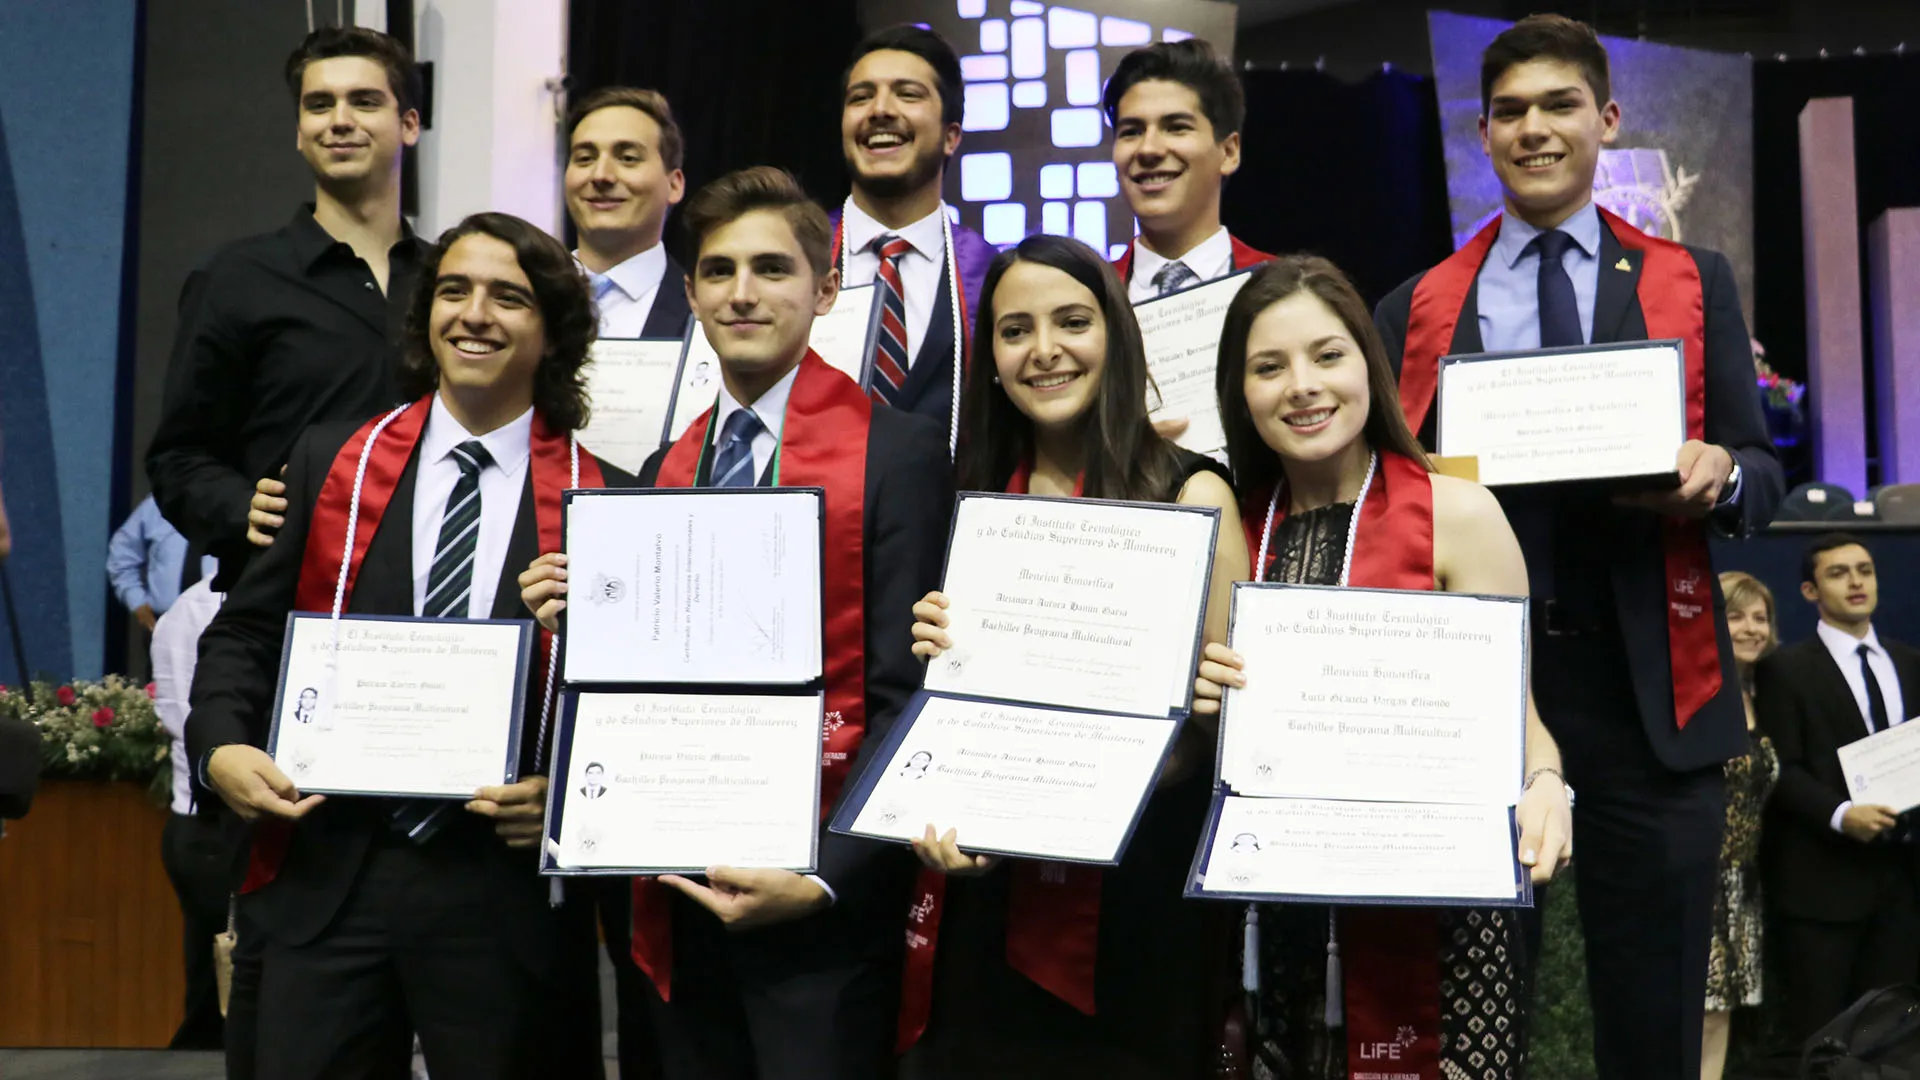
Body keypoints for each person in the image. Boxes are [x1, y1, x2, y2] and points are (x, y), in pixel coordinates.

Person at [1371, 17, 1782, 1078]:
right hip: (1485, 691)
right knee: (1473, 1006)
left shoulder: (1694, 279)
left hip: (1652, 690)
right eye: (1510, 112)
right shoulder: (1417, 305)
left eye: (1560, 106)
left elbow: (1759, 465)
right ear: (1482, 133)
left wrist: (1723, 476)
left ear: (1607, 119)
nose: (1535, 129)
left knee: (1655, 1012)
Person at [521, 166, 951, 1080]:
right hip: (676, 889)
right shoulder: (660, 471)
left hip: (823, 911)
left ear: (825, 290)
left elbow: (906, 695)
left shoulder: (900, 452)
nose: (742, 293)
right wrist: (576, 623)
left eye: (772, 269)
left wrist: (825, 874)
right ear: (691, 294)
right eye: (718, 271)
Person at [185, 212, 630, 1080]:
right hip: (329, 874)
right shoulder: (332, 462)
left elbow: (631, 711)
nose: (475, 315)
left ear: (553, 332)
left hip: (501, 896)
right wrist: (221, 746)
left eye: (508, 297)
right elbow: (245, 632)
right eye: (454, 291)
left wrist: (569, 803)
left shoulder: (607, 502)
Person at [1195, 256, 1573, 1079]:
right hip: (1276, 927)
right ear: (1239, 391)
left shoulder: (1459, 515)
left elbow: (1521, 723)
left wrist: (1547, 785)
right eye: (1269, 367)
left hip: (1442, 936)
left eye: (1328, 355)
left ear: (1369, 363)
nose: (1303, 386)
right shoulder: (1229, 531)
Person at [897, 234, 1248, 1079]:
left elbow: (1223, 734)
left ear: (1117, 337)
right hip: (984, 894)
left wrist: (1092, 791)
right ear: (990, 359)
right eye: (1015, 330)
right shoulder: (970, 499)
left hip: (1137, 909)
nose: (1044, 350)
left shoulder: (1192, 492)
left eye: (1073, 322)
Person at [149, 26, 430, 590]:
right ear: (300, 133)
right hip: (284, 594)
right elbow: (179, 456)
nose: (339, 120)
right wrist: (241, 508)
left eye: (364, 101)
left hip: (432, 593)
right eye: (319, 105)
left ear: (408, 125)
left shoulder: (450, 282)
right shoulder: (237, 278)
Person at [1757, 534, 1920, 1043]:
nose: (1856, 582)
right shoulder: (1783, 668)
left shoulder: (1910, 661)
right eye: (1838, 572)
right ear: (1810, 591)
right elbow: (1780, 768)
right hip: (1821, 883)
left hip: (1903, 882)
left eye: (1865, 570)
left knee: (1892, 1038)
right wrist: (1840, 813)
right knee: (1821, 1037)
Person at [1102, 38, 1274, 440]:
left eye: (1176, 127)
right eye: (1131, 131)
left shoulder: (1285, 290)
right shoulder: (1088, 300)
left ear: (1228, 152)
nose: (1148, 149)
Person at [834, 24, 996, 451]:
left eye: (907, 94)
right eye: (860, 97)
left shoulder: (993, 276)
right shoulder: (795, 259)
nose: (879, 110)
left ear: (950, 136)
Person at [1702, 571, 1779, 1080]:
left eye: (1760, 617)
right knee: (1696, 1011)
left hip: (1742, 884)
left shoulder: (1763, 693)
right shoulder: (1696, 695)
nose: (1752, 628)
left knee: (1722, 1014)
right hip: (1697, 881)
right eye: (1735, 616)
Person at [152, 578, 229, 1050]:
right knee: (217, 997)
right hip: (210, 825)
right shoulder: (194, 610)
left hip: (215, 826)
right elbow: (188, 724)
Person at [566, 86, 692, 339]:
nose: (601, 175)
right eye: (585, 158)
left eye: (628, 158)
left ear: (674, 185)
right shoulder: (525, 296)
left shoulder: (705, 311)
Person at [107, 494, 217, 632]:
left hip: (223, 626)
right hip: (163, 624)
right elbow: (122, 553)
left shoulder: (239, 502)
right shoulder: (158, 503)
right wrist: (136, 600)